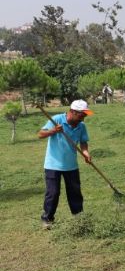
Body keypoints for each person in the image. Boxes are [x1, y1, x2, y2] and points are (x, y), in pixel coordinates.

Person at [38, 99, 93, 230]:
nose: (84, 117)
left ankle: (79, 218)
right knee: (53, 192)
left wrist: (85, 153)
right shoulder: (57, 119)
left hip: (71, 166)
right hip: (52, 165)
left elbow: (83, 142)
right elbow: (40, 134)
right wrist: (53, 131)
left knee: (75, 192)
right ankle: (47, 219)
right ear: (73, 112)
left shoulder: (81, 126)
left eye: (85, 114)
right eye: (82, 114)